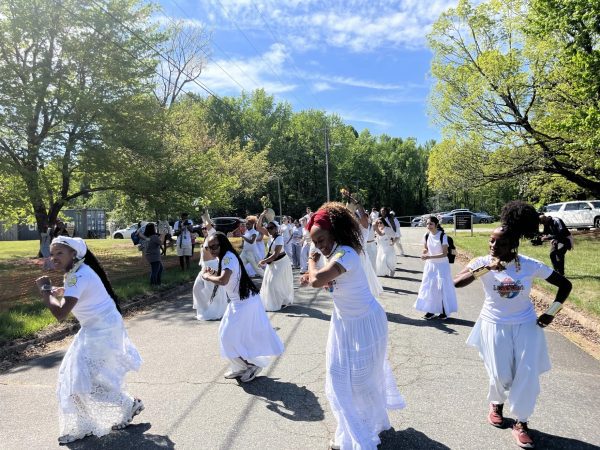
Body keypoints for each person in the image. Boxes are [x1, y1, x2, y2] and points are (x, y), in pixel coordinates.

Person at [454, 201, 572, 449]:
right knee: (500, 374)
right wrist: (487, 268)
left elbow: (565, 285)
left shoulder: (529, 265)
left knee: (527, 374)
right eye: (492, 241)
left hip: (527, 325)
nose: (494, 246)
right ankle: (496, 403)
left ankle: (521, 422)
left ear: (513, 246)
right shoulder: (481, 262)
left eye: (501, 243)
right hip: (493, 324)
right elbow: (457, 282)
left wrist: (551, 312)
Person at [300, 203, 405, 450]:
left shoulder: (345, 253)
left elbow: (317, 279)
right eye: (315, 243)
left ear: (335, 232)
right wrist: (313, 276)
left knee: (361, 383)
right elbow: (326, 281)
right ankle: (350, 433)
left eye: (322, 240)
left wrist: (310, 263)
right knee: (339, 381)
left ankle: (364, 429)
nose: (319, 246)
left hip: (366, 323)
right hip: (343, 324)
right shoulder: (334, 254)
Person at [34, 237, 143, 444]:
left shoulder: (78, 275)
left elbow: (60, 314)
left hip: (101, 330)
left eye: (60, 253)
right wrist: (61, 291)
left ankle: (118, 408)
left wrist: (45, 291)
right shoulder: (77, 272)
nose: (54, 257)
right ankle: (119, 408)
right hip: (97, 327)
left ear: (73, 255)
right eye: (53, 253)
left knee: (80, 380)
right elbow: (81, 293)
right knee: (77, 378)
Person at [202, 232, 284, 382]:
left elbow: (223, 280)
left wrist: (207, 277)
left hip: (244, 303)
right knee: (228, 337)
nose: (212, 250)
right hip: (239, 302)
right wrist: (214, 273)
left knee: (230, 336)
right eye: (209, 247)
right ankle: (240, 367)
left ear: (222, 244)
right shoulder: (227, 257)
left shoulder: (227, 257)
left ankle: (251, 365)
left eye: (214, 246)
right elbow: (229, 277)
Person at [414, 216, 458, 320]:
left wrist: (429, 256)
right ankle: (430, 310)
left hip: (442, 265)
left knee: (442, 288)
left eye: (431, 224)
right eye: (427, 224)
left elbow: (444, 254)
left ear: (436, 225)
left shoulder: (443, 236)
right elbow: (425, 247)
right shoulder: (426, 235)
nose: (428, 226)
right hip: (430, 265)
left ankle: (444, 311)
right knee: (429, 287)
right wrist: (425, 251)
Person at [256, 211, 294, 311]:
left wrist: (263, 261)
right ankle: (276, 300)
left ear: (276, 229)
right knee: (268, 282)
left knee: (275, 282)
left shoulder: (279, 238)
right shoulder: (269, 235)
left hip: (281, 262)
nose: (269, 230)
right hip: (273, 263)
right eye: (268, 228)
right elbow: (258, 227)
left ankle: (281, 300)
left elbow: (275, 254)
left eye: (271, 228)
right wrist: (261, 215)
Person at [374, 208, 397, 277]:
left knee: (387, 260)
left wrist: (393, 242)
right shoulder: (378, 229)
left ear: (384, 222)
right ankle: (384, 272)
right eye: (378, 223)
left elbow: (396, 236)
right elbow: (377, 237)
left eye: (380, 222)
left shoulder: (388, 229)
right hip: (381, 247)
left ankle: (392, 270)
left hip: (388, 247)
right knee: (381, 260)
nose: (379, 224)